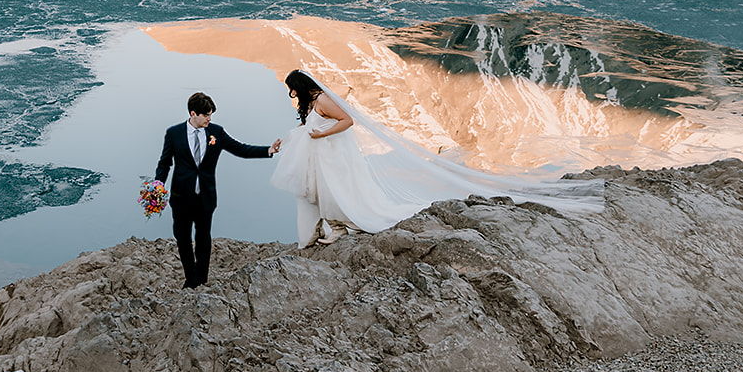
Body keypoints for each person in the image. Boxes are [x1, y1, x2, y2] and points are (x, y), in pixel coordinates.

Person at [269, 69, 604, 247]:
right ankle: (338, 228)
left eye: (291, 87)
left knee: (345, 193)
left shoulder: (324, 100)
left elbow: (347, 122)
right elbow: (309, 129)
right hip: (327, 160)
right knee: (331, 194)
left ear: (299, 85)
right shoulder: (311, 105)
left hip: (336, 157)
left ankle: (346, 226)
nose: (290, 93)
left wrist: (322, 135)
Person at [155, 91, 278, 288]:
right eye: (206, 115)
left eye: (211, 115)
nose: (209, 119)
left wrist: (268, 150)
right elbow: (165, 163)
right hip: (180, 197)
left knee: (203, 238)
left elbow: (240, 149)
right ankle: (190, 278)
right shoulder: (174, 133)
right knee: (183, 238)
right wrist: (157, 185)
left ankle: (201, 280)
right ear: (193, 113)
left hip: (206, 197)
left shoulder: (216, 133)